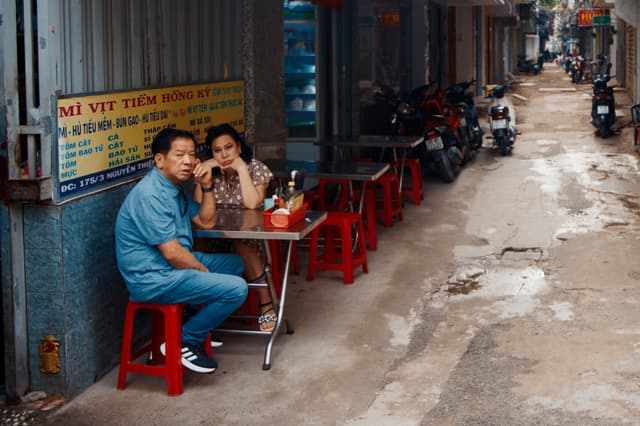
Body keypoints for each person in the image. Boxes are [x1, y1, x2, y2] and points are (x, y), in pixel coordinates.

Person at [115, 127, 248, 374]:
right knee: (236, 289)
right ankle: (184, 339)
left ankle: (195, 325)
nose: (188, 161)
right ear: (159, 160)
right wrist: (200, 270)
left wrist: (207, 186)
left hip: (171, 267)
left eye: (191, 154)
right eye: (179, 154)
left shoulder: (174, 187)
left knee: (235, 264)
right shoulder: (150, 194)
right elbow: (173, 254)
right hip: (154, 277)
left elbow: (206, 221)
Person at [194, 123, 276, 332]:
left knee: (242, 244)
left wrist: (240, 168)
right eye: (217, 150)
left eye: (228, 147)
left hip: (247, 236)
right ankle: (198, 307)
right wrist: (205, 174)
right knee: (197, 243)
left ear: (238, 147)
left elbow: (252, 203)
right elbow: (198, 206)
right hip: (215, 235)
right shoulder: (210, 172)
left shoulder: (255, 168)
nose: (224, 154)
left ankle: (266, 303)